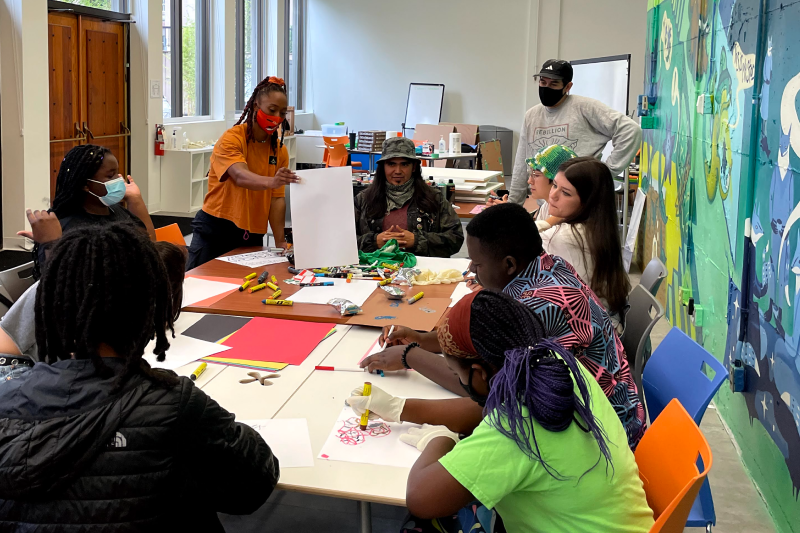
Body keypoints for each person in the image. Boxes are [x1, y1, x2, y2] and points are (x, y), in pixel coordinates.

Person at [0, 224, 279, 530]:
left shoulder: (7, 398)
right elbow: (253, 487)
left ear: (51, 307)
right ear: (151, 306)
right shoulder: (173, 405)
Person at [349, 291, 654, 533]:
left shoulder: (515, 430)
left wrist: (440, 441)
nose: (459, 381)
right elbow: (478, 411)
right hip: (615, 521)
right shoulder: (556, 365)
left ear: (480, 373)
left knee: (422, 524)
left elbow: (420, 498)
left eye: (457, 374)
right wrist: (401, 408)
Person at [362, 203, 645, 448]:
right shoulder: (550, 265)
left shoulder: (536, 308)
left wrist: (410, 354)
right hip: (619, 411)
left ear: (509, 265)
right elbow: (483, 335)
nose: (471, 269)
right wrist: (426, 339)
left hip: (602, 437)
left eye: (478, 263)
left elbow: (482, 388)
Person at [187, 76, 299, 270]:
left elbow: (276, 199)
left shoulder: (279, 150)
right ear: (256, 106)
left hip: (252, 233)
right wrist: (272, 181)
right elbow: (239, 176)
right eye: (271, 110)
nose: (277, 118)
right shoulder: (232, 138)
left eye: (282, 113)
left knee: (244, 293)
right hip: (217, 229)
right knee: (199, 289)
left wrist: (280, 241)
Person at [507, 59, 642, 205]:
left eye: (554, 84)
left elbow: (631, 130)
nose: (546, 87)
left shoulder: (584, 107)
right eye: (543, 82)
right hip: (547, 206)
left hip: (580, 204)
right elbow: (521, 163)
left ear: (567, 86)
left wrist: (605, 174)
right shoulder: (532, 115)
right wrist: (512, 206)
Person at [21, 144, 156, 278]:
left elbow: (151, 248)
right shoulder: (67, 225)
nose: (119, 180)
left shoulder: (116, 211)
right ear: (85, 184)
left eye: (117, 173)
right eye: (110, 176)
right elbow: (59, 280)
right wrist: (50, 243)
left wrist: (135, 200)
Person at [541, 157, 631, 321]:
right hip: (606, 324)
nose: (552, 195)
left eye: (565, 193)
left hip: (587, 336)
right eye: (554, 185)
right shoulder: (600, 229)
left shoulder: (563, 237)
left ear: (588, 203)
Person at [354, 137, 464, 258]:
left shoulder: (434, 199)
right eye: (391, 164)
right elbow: (343, 242)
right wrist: (374, 242)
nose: (398, 171)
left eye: (404, 164)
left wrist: (417, 241)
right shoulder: (363, 200)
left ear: (414, 167)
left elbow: (455, 238)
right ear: (383, 167)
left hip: (423, 272)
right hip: (374, 271)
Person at [488, 144, 577, 232]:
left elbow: (528, 236)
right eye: (531, 174)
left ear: (556, 180)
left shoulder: (567, 225)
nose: (529, 181)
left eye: (536, 175)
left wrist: (508, 215)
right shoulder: (546, 206)